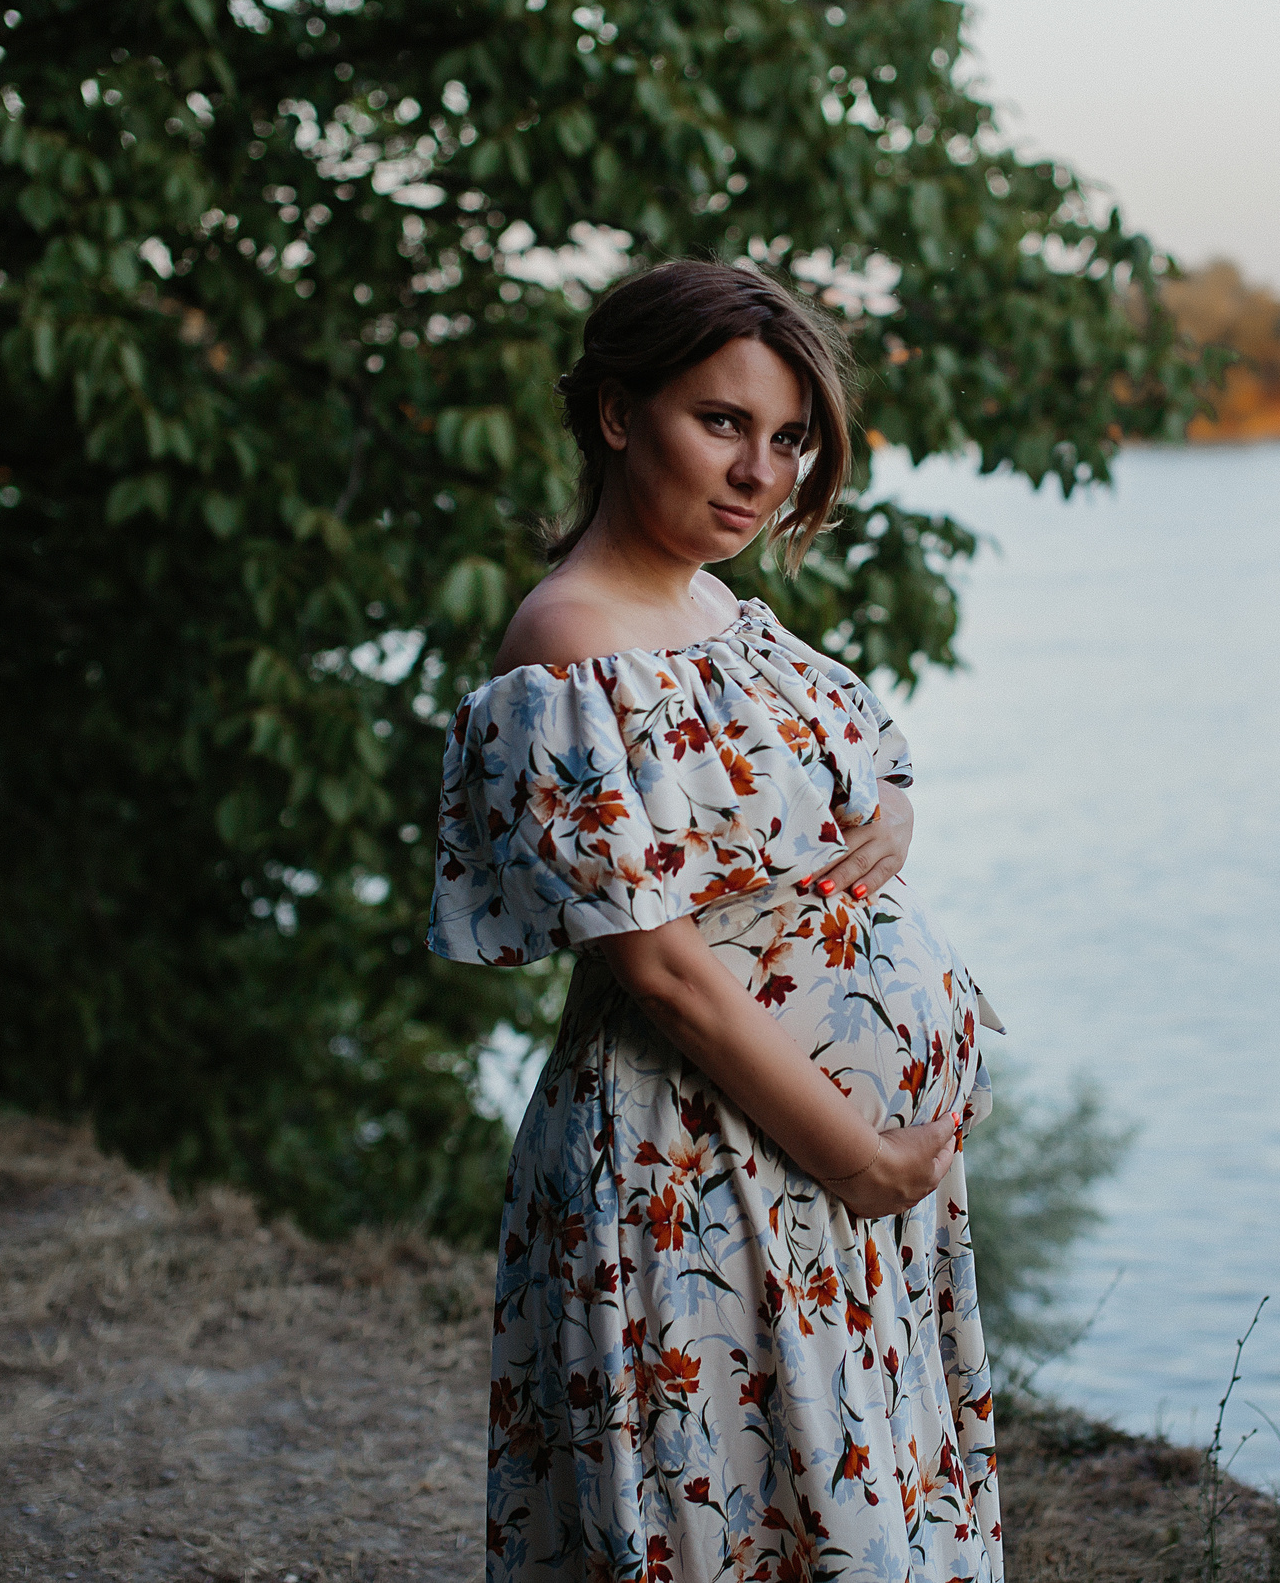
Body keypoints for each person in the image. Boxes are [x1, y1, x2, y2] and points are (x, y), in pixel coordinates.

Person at [430, 260, 1003, 1582]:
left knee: (830, 1522)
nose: (762, 472)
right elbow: (667, 975)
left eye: (790, 438)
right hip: (698, 1172)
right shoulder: (569, 644)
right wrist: (857, 1157)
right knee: (726, 1533)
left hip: (810, 1171)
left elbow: (849, 772)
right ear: (621, 417)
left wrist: (895, 815)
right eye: (724, 422)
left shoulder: (714, 606)